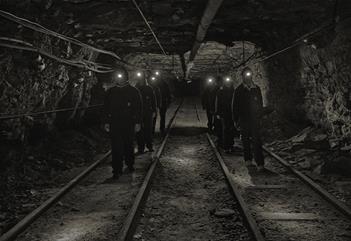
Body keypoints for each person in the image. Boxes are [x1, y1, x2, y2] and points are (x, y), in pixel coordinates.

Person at [103, 66, 142, 179]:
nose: (119, 79)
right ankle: (117, 169)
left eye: (121, 76)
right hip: (115, 123)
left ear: (126, 77)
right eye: (117, 76)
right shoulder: (111, 92)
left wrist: (137, 122)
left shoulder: (134, 91)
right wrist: (106, 122)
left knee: (128, 145)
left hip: (129, 123)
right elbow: (106, 108)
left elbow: (138, 108)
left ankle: (129, 164)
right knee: (116, 147)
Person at [232, 67, 265, 171]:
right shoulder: (238, 90)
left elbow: (260, 104)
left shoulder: (256, 89)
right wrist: (236, 120)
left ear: (251, 76)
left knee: (257, 141)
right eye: (245, 76)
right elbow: (235, 106)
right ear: (242, 77)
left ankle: (260, 163)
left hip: (255, 119)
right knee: (245, 141)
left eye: (249, 75)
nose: (247, 78)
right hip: (244, 119)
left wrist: (260, 117)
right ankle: (248, 160)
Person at [135, 71, 157, 153]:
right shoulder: (136, 88)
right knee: (139, 131)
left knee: (148, 130)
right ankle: (141, 147)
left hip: (148, 112)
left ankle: (149, 146)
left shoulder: (149, 88)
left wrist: (154, 110)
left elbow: (153, 100)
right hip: (139, 113)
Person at [215, 76, 235, 153]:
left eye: (229, 82)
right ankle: (226, 146)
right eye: (227, 82)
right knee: (226, 129)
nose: (228, 83)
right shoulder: (221, 91)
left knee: (232, 129)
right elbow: (218, 102)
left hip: (232, 113)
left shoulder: (233, 91)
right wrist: (218, 112)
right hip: (224, 113)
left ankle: (231, 145)